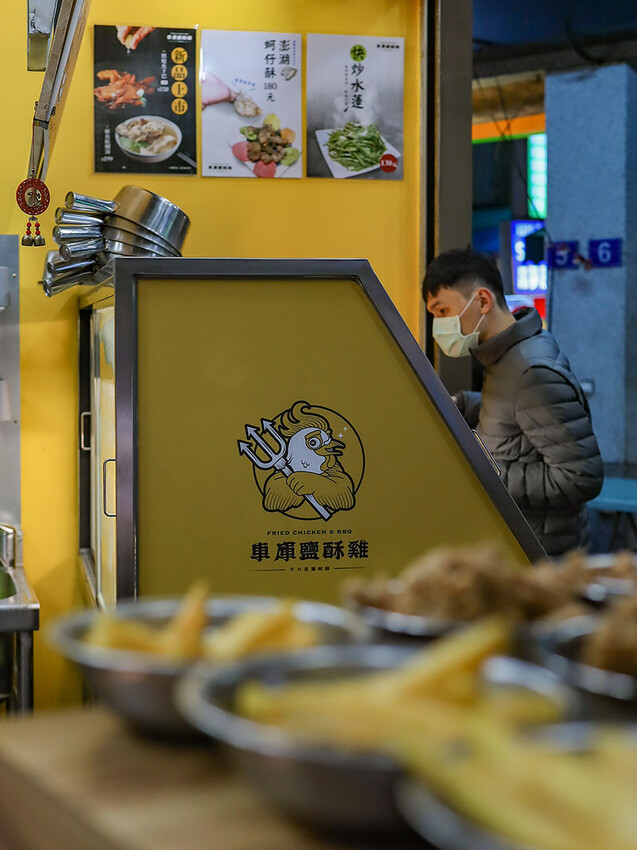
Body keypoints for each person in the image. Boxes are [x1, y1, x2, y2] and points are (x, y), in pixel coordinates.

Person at [423, 248, 603, 557]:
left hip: (543, 557)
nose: (439, 325)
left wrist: (486, 470)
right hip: (520, 545)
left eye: (442, 311)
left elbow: (580, 478)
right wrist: (467, 405)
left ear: (482, 301)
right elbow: (522, 413)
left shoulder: (530, 370)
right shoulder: (508, 358)